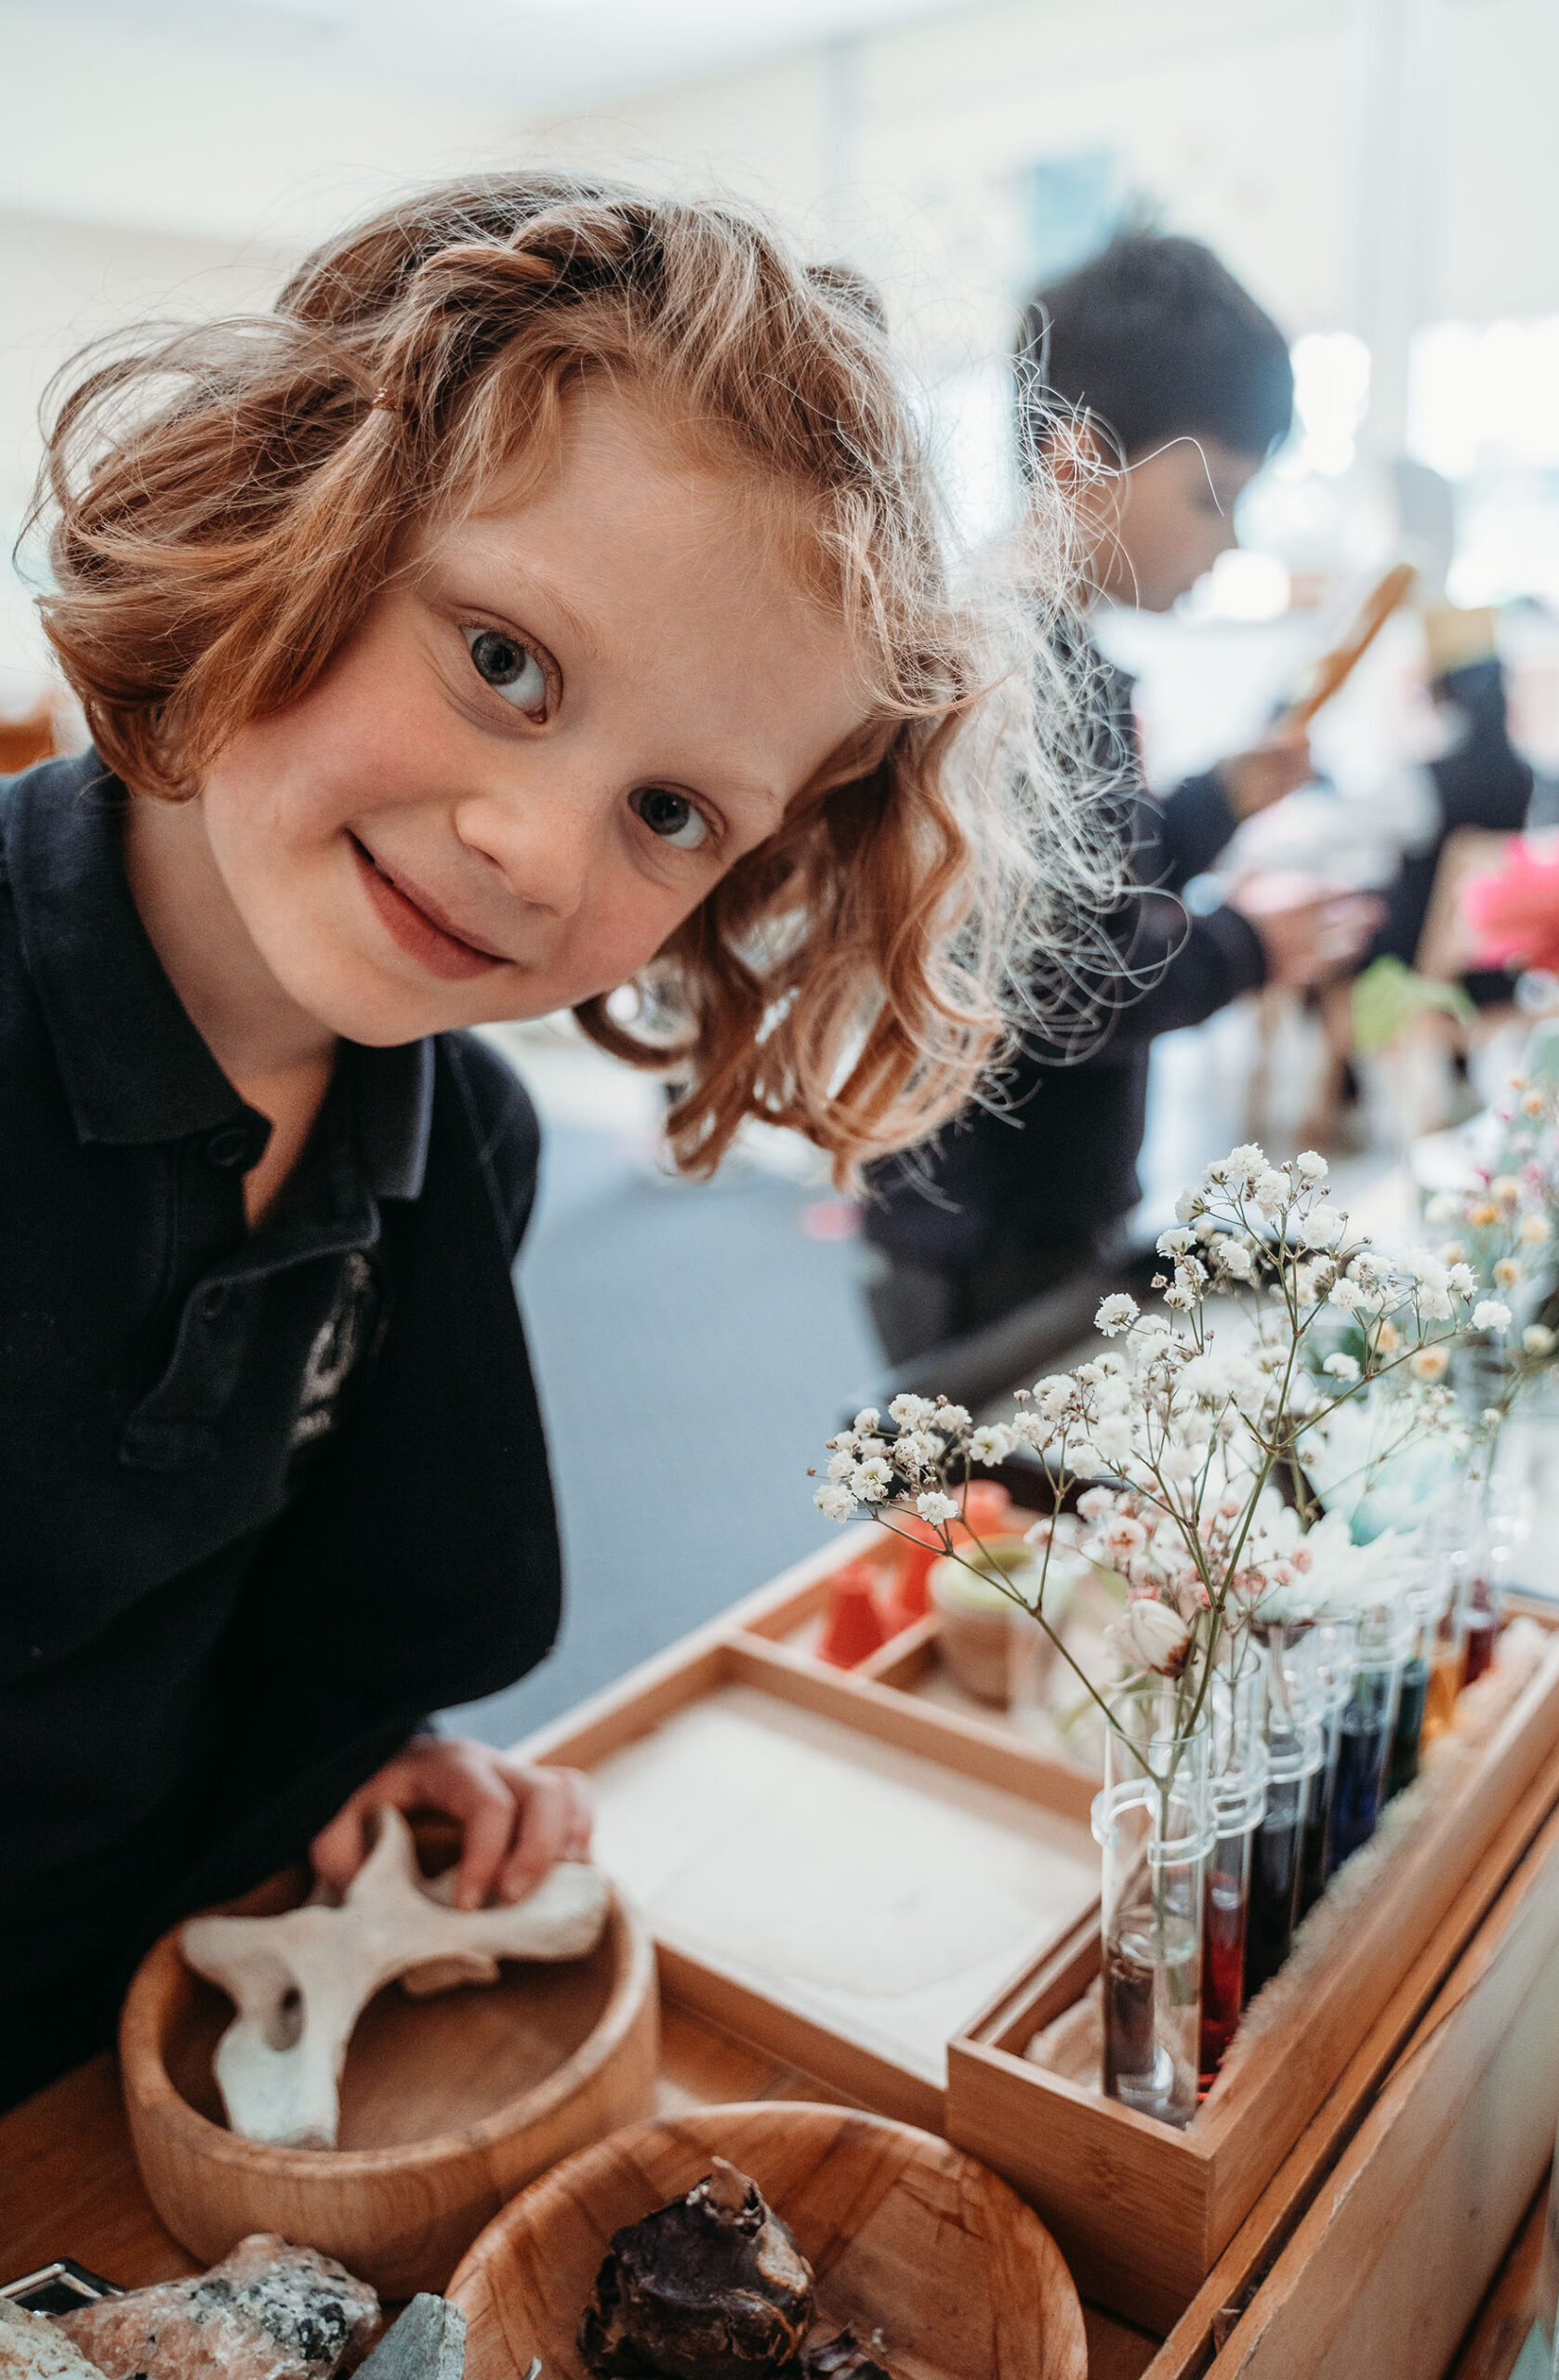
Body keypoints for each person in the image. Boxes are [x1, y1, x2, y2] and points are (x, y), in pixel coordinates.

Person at [0, 174, 1115, 2105]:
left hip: (142, 2044)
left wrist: (350, 1755)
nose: (535, 848)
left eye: (672, 811)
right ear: (295, 506)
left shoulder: (461, 1141)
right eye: (502, 659)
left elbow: (249, 1601)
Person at [862, 232, 1379, 1365]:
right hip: (986, 1214)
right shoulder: (1031, 675)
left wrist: (1219, 800)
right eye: (1211, 497)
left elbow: (1088, 878)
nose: (1229, 540)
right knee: (996, 1521)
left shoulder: (1037, 647)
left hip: (995, 1200)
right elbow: (1065, 978)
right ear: (1078, 459)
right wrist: (1248, 945)